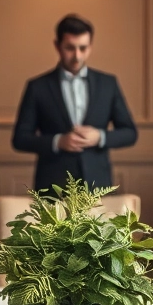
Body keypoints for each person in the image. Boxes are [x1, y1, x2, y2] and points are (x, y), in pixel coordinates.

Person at [11, 14, 138, 194]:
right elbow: (20, 139)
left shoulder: (108, 84)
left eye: (83, 48)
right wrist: (58, 141)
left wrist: (99, 137)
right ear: (57, 46)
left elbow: (130, 133)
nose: (77, 56)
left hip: (98, 186)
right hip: (52, 188)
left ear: (90, 47)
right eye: (70, 48)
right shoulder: (37, 87)